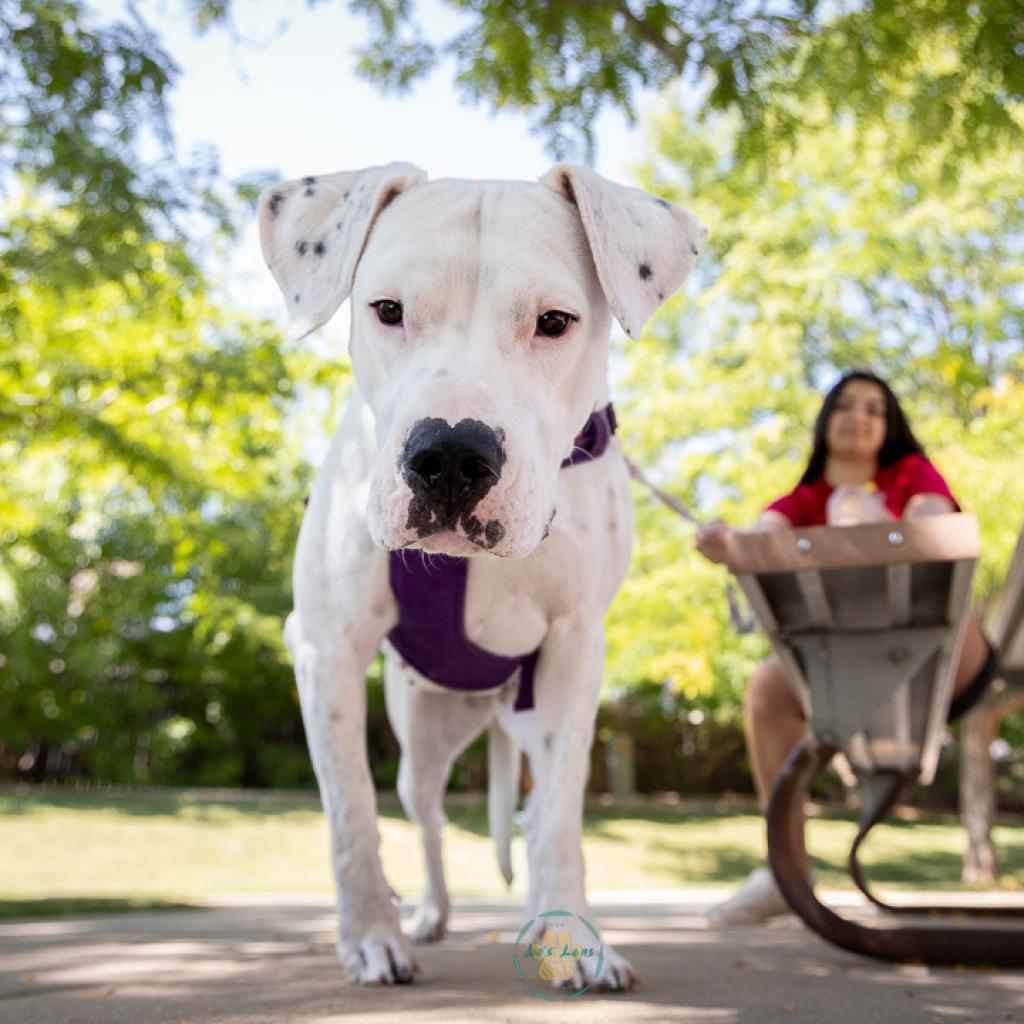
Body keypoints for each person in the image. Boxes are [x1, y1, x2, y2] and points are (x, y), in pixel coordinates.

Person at [696, 371, 997, 926]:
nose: (860, 416)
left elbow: (934, 521)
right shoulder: (803, 500)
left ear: (889, 427)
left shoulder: (911, 475)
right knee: (765, 686)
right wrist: (726, 544)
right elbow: (759, 536)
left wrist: (909, 521)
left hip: (941, 663)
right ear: (826, 419)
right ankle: (785, 867)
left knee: (953, 615)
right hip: (841, 669)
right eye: (847, 405)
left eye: (876, 409)